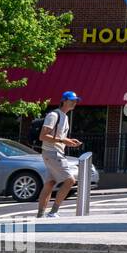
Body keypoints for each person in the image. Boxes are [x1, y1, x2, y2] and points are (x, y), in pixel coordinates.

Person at [36, 91, 82, 219]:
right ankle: (53, 212)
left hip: (53, 152)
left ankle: (40, 215)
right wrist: (63, 141)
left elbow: (59, 136)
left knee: (50, 183)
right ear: (64, 100)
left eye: (76, 100)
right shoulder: (53, 115)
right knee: (70, 181)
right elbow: (43, 136)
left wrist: (69, 141)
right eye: (72, 100)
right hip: (52, 153)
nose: (74, 102)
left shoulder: (65, 117)